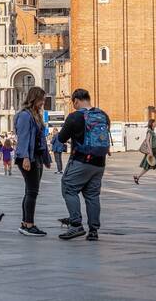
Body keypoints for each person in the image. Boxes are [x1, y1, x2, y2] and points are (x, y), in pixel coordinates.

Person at [56, 88, 111, 241]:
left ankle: (75, 225)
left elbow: (61, 138)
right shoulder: (103, 115)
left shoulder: (75, 117)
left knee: (68, 187)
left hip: (81, 160)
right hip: (99, 162)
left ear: (76, 101)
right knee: (93, 195)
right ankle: (93, 230)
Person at [14, 86, 52, 237]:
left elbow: (40, 139)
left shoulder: (35, 114)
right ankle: (29, 224)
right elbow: (23, 138)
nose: (43, 102)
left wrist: (46, 159)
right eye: (41, 99)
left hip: (36, 157)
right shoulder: (25, 115)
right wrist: (25, 158)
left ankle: (25, 222)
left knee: (30, 191)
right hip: (28, 157)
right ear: (34, 98)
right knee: (32, 192)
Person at [133, 119, 156, 186]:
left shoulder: (152, 131)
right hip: (152, 151)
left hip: (154, 150)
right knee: (155, 165)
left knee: (150, 166)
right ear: (151, 123)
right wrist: (150, 151)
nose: (155, 123)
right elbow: (147, 141)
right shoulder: (149, 131)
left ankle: (137, 177)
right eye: (154, 122)